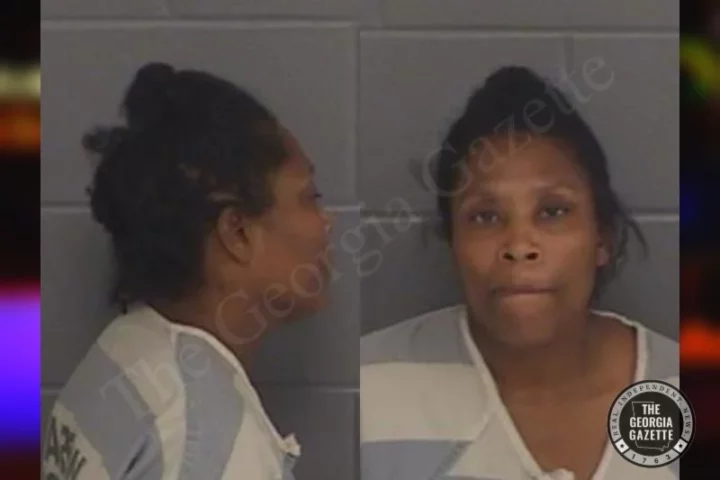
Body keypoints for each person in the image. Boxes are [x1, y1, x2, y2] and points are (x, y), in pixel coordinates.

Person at [360, 66, 678, 480]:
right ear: (453, 245)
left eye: (553, 211)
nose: (519, 245)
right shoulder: (371, 390)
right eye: (485, 217)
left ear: (602, 238)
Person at [42, 62, 333, 479]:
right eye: (310, 197)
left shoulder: (123, 351)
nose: (326, 223)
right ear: (237, 233)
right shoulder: (214, 442)